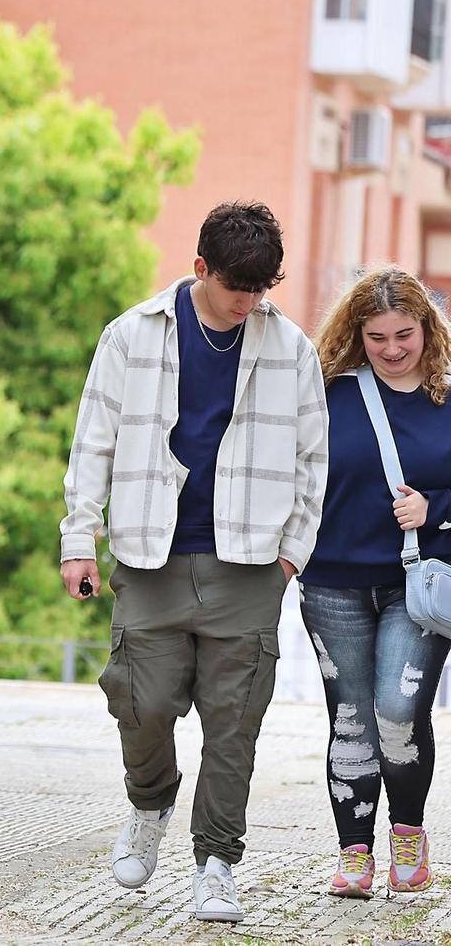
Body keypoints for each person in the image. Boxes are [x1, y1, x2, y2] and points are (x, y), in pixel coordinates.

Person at [59, 201, 327, 922]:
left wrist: (289, 558)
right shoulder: (131, 337)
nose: (248, 303)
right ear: (201, 267)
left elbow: (313, 459)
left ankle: (216, 862)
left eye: (261, 289)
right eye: (237, 287)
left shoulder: (291, 348)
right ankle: (150, 806)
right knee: (139, 702)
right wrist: (78, 539)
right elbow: (93, 444)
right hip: (150, 553)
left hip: (248, 561)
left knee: (234, 721)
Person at [301, 266, 451, 899]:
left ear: (428, 329)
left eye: (405, 334)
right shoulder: (327, 394)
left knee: (398, 709)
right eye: (378, 336)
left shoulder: (448, 397)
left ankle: (409, 834)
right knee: (351, 721)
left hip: (418, 585)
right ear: (356, 334)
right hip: (332, 583)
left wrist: (437, 508)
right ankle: (355, 853)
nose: (392, 349)